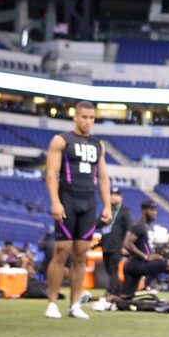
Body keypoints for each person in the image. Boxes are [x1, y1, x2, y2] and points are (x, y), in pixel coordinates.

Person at [45, 100, 112, 319]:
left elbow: (103, 177)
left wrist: (107, 205)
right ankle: (52, 303)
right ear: (75, 116)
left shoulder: (98, 145)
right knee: (61, 252)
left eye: (92, 118)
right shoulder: (62, 140)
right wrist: (55, 202)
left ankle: (74, 305)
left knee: (82, 255)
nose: (88, 121)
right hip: (67, 200)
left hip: (88, 203)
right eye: (84, 117)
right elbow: (51, 173)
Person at [119, 200, 169, 304]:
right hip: (138, 264)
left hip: (134, 265)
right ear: (144, 211)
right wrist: (145, 256)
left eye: (155, 210)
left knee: (123, 298)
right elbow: (127, 243)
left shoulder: (147, 226)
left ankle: (95, 299)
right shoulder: (140, 225)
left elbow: (145, 247)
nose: (155, 212)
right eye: (151, 210)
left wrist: (158, 253)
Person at [97, 186, 134, 298]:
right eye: (111, 194)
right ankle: (118, 290)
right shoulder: (106, 211)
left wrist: (126, 245)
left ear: (121, 197)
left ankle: (112, 291)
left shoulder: (125, 212)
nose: (113, 197)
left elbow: (129, 229)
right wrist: (102, 220)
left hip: (117, 245)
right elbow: (97, 225)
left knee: (114, 268)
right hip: (106, 245)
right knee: (109, 268)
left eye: (116, 195)